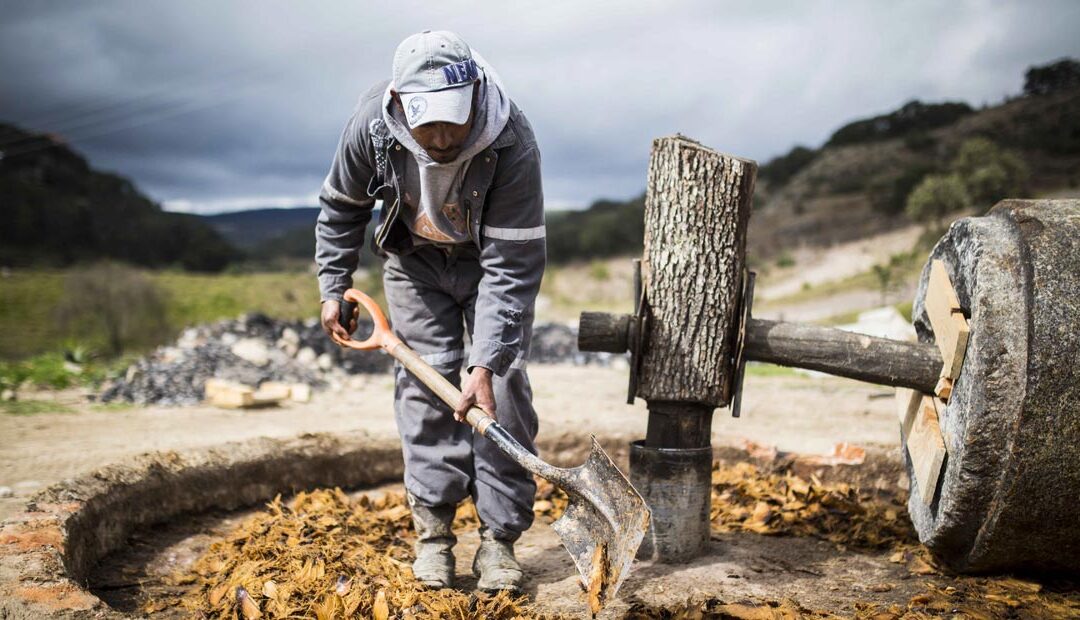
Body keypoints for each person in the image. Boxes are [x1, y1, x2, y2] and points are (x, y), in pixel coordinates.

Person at [314, 30, 545, 593]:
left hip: (487, 264)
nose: (441, 137)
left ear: (475, 97)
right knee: (424, 387)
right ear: (399, 104)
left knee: (501, 388)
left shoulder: (510, 140)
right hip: (413, 264)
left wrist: (485, 363)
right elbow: (342, 207)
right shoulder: (371, 123)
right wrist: (333, 284)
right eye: (427, 122)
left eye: (452, 121)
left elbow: (511, 269)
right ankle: (435, 536)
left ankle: (499, 540)